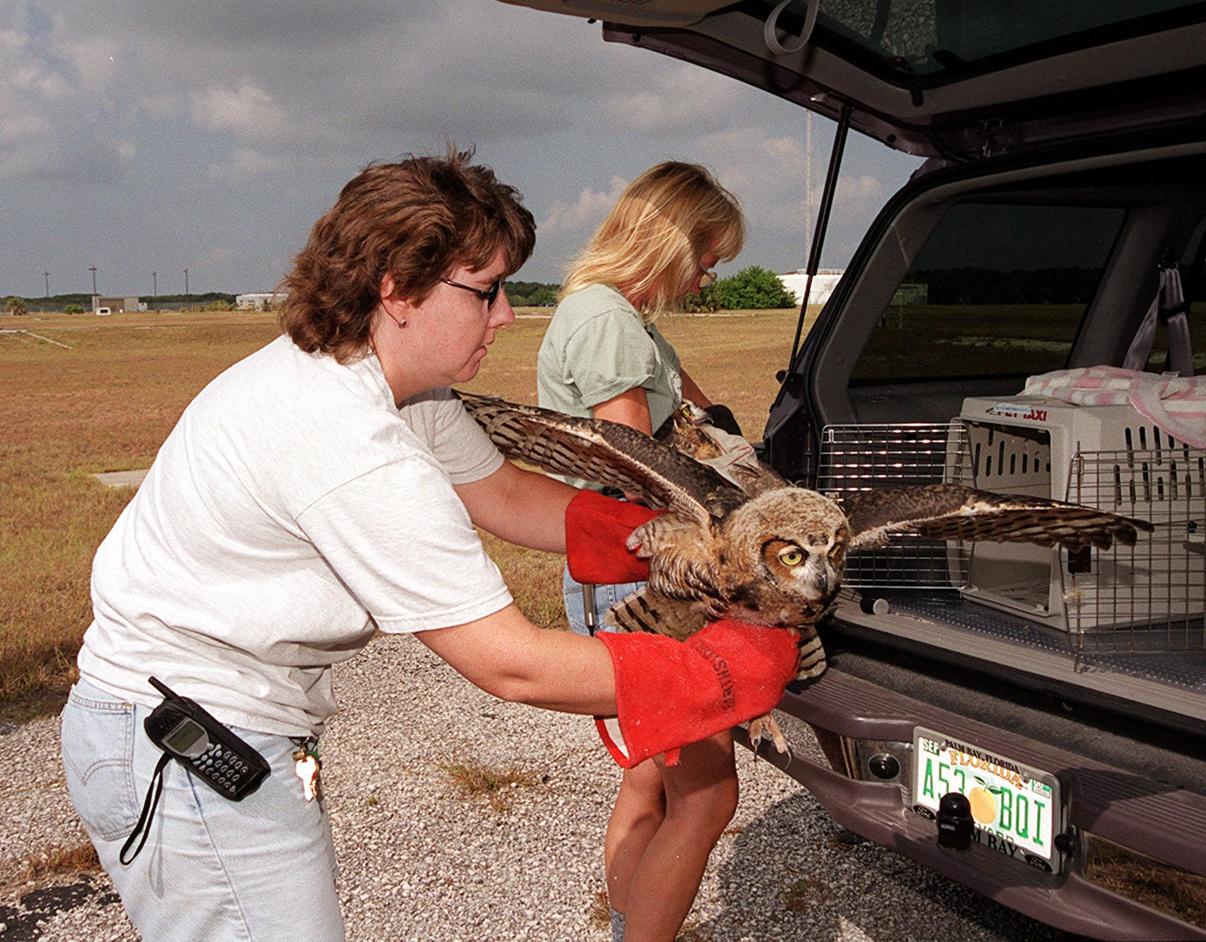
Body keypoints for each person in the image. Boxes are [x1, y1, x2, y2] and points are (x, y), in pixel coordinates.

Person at [59, 149, 799, 942]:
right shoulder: (346, 436)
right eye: (487, 293)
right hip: (190, 744)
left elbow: (507, 496)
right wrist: (722, 671)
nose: (509, 315)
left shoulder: (400, 387)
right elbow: (509, 662)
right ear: (399, 287)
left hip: (210, 726)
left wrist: (674, 543)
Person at [537, 161, 749, 942]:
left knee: (649, 777)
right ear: (666, 242)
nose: (705, 278)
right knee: (707, 794)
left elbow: (699, 410)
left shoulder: (625, 318)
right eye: (704, 258)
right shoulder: (605, 321)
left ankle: (631, 921)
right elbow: (643, 466)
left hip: (629, 568)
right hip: (638, 576)